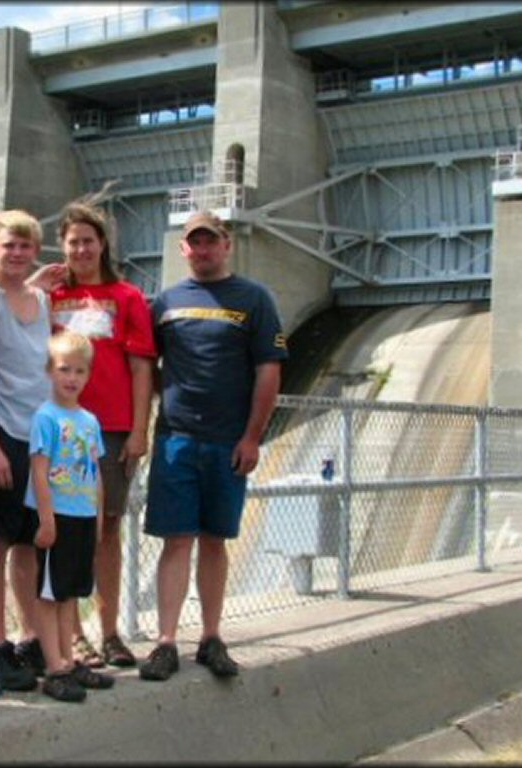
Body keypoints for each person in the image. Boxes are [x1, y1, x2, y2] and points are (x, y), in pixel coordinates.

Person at [139, 211, 287, 682]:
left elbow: (269, 369)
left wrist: (252, 436)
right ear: (183, 249)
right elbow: (147, 367)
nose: (202, 250)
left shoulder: (255, 299)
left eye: (211, 241)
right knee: (176, 539)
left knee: (215, 541)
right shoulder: (164, 302)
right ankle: (166, 642)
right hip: (175, 440)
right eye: (194, 243)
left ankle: (210, 636)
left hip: (228, 444)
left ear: (226, 245)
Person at [44, 201, 156, 669]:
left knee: (107, 529)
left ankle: (109, 631)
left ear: (103, 244)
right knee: (67, 532)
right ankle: (71, 634)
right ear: (63, 247)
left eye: (89, 240)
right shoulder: (49, 297)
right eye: (73, 242)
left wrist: (138, 430)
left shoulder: (127, 296)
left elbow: (141, 365)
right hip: (59, 429)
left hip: (110, 429)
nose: (82, 249)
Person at [0, 209, 51, 691]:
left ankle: (30, 638)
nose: (16, 253)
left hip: (35, 436)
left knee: (26, 543)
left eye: (24, 245)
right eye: (8, 245)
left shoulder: (39, 297)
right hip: (0, 433)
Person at [26, 331, 116, 702]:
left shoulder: (89, 421)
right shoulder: (46, 418)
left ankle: (69, 657)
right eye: (64, 369)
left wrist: (96, 520)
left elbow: (94, 473)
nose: (71, 378)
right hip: (56, 515)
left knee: (69, 594)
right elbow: (39, 471)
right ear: (49, 371)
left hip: (81, 515)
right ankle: (54, 666)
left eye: (79, 371)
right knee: (49, 594)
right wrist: (46, 519)